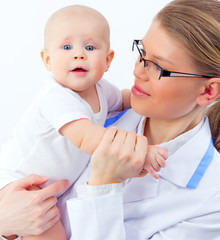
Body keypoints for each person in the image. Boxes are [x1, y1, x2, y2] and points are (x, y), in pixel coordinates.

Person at [0, 5, 168, 240]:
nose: (78, 54)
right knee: (49, 230)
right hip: (21, 180)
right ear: (47, 60)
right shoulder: (56, 97)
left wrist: (154, 98)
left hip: (52, 186)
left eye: (90, 47)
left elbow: (125, 99)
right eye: (66, 47)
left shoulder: (100, 89)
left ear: (108, 60)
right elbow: (87, 138)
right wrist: (142, 152)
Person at [66, 0, 220, 239]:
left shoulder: (212, 201)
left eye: (158, 67)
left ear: (208, 91)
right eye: (142, 53)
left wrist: (103, 184)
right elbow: (26, 168)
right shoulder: (92, 112)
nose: (138, 71)